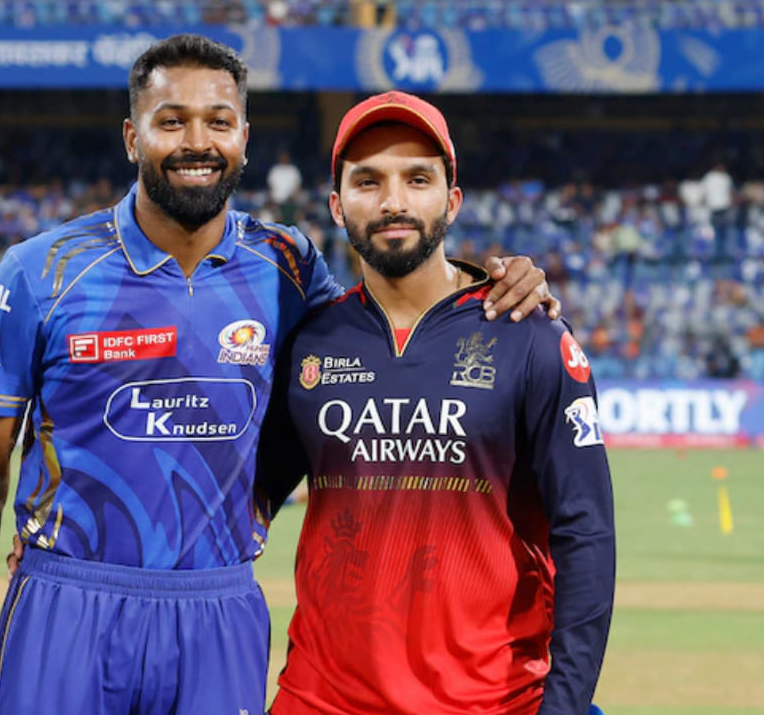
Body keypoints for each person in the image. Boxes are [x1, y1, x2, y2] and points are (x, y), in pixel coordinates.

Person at [0, 36, 558, 715]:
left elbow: (385, 330)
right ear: (132, 138)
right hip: (67, 603)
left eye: (218, 122)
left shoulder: (288, 267)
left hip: (218, 610)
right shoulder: (41, 272)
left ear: (244, 139)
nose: (197, 142)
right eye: (171, 121)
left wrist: (488, 284)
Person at [257, 91, 615, 715]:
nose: (393, 201)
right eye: (368, 181)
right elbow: (242, 496)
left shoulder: (528, 335)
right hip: (321, 700)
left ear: (452, 200)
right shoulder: (308, 342)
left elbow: (586, 534)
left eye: (417, 179)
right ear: (337, 206)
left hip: (490, 702)